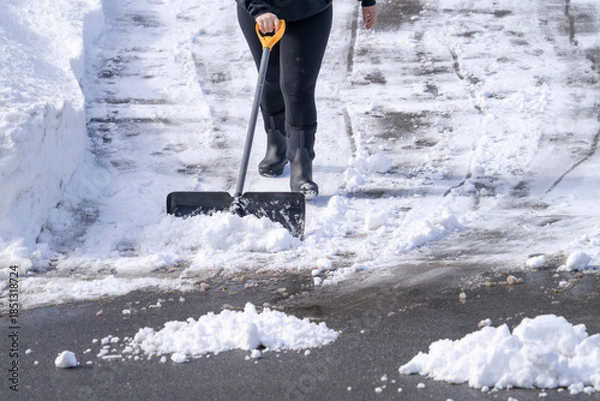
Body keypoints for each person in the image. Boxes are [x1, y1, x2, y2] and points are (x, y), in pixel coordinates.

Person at [235, 0, 378, 198]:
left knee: (297, 87)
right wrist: (258, 9)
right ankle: (277, 143)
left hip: (309, 10)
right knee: (268, 78)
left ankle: (301, 163)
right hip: (258, 12)